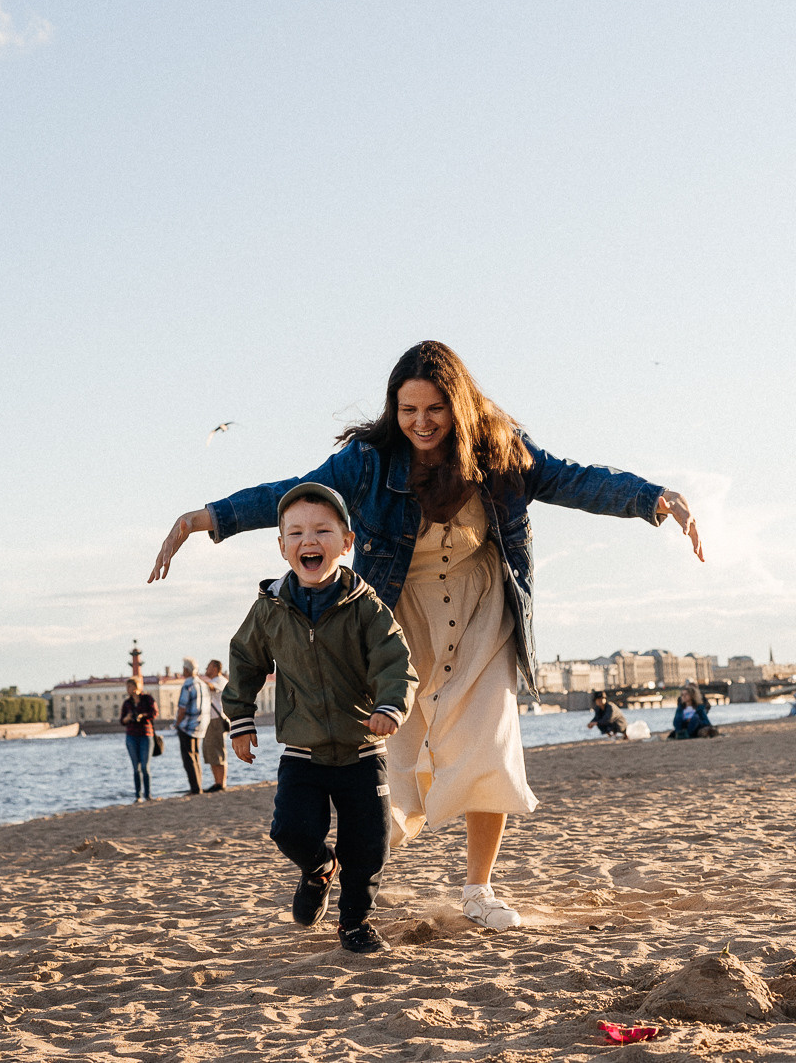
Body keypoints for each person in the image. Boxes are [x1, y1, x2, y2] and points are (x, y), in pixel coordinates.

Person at [150, 341, 701, 932]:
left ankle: (479, 890)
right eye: (408, 410)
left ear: (458, 404)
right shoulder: (368, 461)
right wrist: (206, 519)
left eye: (435, 408)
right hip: (399, 614)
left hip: (483, 611)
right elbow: (295, 492)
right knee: (393, 756)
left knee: (488, 746)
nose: (421, 422)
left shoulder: (500, 451)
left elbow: (576, 480)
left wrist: (652, 498)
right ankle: (349, 868)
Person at [224, 482, 416, 955]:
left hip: (362, 749)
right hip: (302, 750)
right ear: (282, 546)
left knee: (367, 847)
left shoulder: (366, 607)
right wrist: (240, 719)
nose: (309, 540)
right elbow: (245, 661)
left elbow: (395, 662)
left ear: (346, 543)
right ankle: (318, 869)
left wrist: (390, 706)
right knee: (289, 830)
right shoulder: (269, 610)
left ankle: (355, 923)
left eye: (322, 531)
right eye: (296, 533)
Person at [120, 675, 157, 803]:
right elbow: (122, 721)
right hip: (131, 736)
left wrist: (142, 715)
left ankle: (148, 795)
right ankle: (138, 796)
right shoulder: (127, 703)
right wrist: (127, 718)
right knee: (136, 768)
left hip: (146, 735)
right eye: (127, 687)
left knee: (145, 767)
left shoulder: (147, 699)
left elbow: (154, 713)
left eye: (130, 686)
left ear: (137, 687)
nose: (128, 689)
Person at [175, 657, 206, 795]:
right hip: (200, 726)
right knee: (196, 756)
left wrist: (177, 723)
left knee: (188, 757)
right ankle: (199, 786)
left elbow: (182, 708)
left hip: (187, 726)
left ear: (186, 670)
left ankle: (195, 788)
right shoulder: (203, 684)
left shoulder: (187, 685)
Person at [201, 658, 231, 792]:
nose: (206, 669)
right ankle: (217, 782)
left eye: (208, 666)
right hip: (211, 721)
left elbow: (211, 687)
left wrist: (198, 680)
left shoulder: (220, 681)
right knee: (211, 751)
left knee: (218, 750)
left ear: (215, 668)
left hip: (216, 720)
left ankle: (221, 783)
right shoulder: (216, 680)